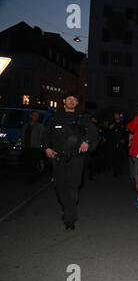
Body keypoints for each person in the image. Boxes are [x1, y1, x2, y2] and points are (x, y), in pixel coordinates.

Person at [42, 92, 98, 230]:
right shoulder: (55, 118)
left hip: (76, 158)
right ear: (64, 101)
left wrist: (86, 141)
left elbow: (93, 132)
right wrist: (47, 148)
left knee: (72, 187)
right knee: (60, 187)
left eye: (74, 100)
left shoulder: (82, 118)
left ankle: (70, 218)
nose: (72, 101)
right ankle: (68, 209)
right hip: (58, 158)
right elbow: (46, 134)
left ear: (77, 103)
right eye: (69, 99)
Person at [21, 111, 45, 182]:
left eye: (37, 115)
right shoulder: (26, 125)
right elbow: (23, 136)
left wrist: (41, 146)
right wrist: (23, 145)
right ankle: (30, 177)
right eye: (34, 115)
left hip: (35, 148)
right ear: (31, 116)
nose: (36, 117)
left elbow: (43, 136)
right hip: (26, 147)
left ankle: (32, 179)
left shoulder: (40, 126)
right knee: (27, 163)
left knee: (34, 164)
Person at [109, 112, 128, 177]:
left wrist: (124, 139)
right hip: (113, 143)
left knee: (120, 157)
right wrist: (110, 129)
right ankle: (115, 171)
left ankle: (120, 170)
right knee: (114, 157)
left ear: (119, 116)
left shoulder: (123, 124)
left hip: (121, 143)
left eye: (117, 115)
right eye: (114, 115)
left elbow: (126, 133)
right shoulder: (112, 124)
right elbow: (109, 133)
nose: (116, 116)